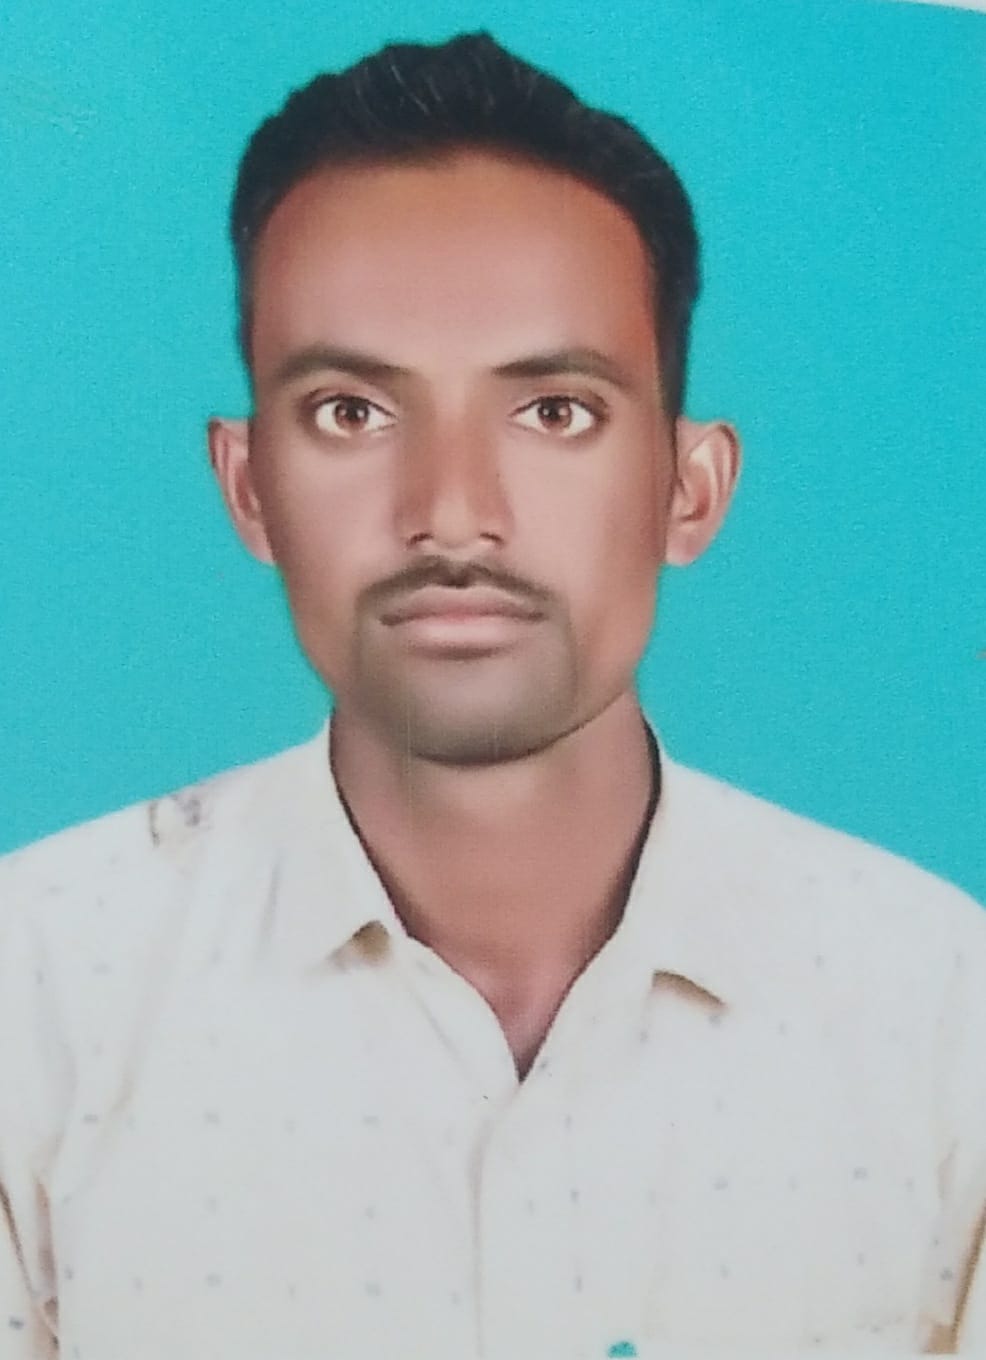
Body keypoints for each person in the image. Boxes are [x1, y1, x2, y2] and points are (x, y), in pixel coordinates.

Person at [1, 30, 984, 1359]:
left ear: (690, 487)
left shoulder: (941, 1014)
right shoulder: (35, 997)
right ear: (247, 487)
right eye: (351, 411)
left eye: (555, 411)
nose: (452, 513)